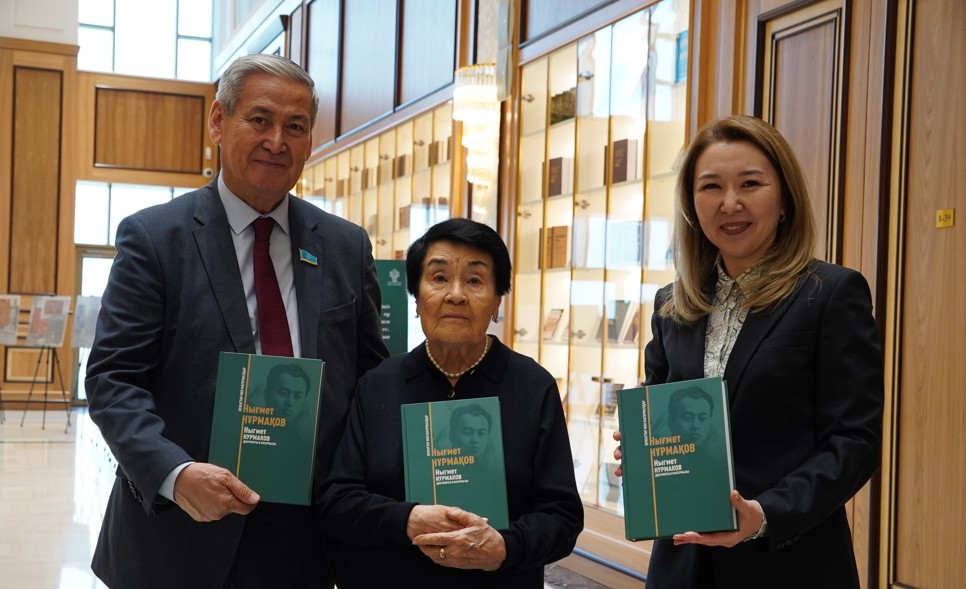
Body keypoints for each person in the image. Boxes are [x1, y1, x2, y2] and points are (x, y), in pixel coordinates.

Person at [85, 53, 388, 589]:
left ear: (309, 142)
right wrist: (175, 474)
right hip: (182, 531)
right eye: (260, 119)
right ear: (219, 121)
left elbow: (371, 382)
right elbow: (114, 379)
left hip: (308, 538)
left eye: (295, 127)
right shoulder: (155, 238)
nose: (277, 141)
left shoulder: (346, 246)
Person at [614, 115, 883, 588]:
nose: (730, 202)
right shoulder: (671, 305)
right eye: (711, 186)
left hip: (789, 563)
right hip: (682, 561)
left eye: (750, 183)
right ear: (691, 204)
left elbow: (854, 442)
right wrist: (643, 451)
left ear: (784, 199)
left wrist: (764, 514)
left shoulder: (831, 294)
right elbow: (660, 412)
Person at [319, 218, 584, 588]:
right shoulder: (377, 385)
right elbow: (337, 502)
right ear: (416, 298)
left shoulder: (532, 386)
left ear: (497, 301)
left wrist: (504, 547)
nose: (455, 295)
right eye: (439, 278)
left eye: (475, 281)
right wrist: (407, 519)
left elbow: (563, 517)